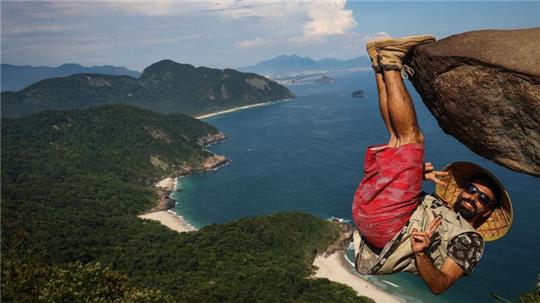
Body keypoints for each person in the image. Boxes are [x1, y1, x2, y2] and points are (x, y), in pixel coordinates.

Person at [351, 35, 513, 294]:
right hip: (370, 215)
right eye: (472, 190)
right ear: (462, 190)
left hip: (387, 224)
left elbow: (440, 285)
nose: (474, 198)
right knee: (396, 140)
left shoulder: (470, 241)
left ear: (488, 212)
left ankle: (391, 59)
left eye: (483, 199)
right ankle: (379, 64)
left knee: (412, 139)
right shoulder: (440, 208)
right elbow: (413, 204)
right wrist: (418, 176)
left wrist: (421, 253)